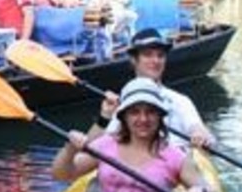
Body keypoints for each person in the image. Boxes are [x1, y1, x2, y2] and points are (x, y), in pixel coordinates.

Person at [51, 77, 221, 192]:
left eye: (150, 112)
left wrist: (200, 191)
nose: (143, 119)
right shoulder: (106, 144)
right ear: (124, 117)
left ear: (160, 116)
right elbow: (62, 174)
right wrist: (69, 149)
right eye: (135, 112)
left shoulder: (174, 156)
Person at [84, 28, 214, 149]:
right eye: (148, 55)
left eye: (160, 55)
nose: (156, 60)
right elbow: (90, 149)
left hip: (177, 164)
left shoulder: (180, 101)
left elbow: (197, 128)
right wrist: (104, 117)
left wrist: (200, 134)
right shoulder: (120, 104)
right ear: (133, 60)